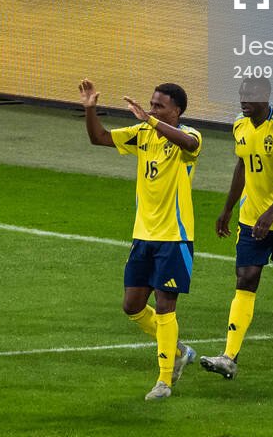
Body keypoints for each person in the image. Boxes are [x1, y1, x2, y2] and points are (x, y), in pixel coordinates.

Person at [77, 77, 200, 400]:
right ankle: (179, 351)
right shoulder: (142, 134)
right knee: (132, 305)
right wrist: (90, 110)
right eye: (152, 103)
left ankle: (164, 381)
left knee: (164, 306)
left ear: (177, 110)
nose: (152, 108)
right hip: (143, 235)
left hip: (175, 236)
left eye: (160, 105)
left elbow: (189, 146)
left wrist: (151, 120)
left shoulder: (188, 135)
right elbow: (99, 138)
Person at [197, 76, 273, 382]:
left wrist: (272, 213)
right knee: (246, 279)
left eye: (249, 96)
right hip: (251, 219)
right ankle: (229, 356)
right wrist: (227, 208)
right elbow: (242, 166)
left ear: (265, 96)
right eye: (240, 95)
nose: (242, 101)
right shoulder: (240, 124)